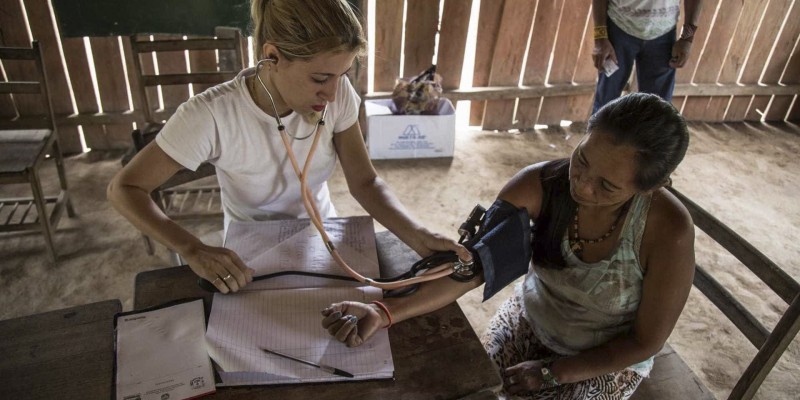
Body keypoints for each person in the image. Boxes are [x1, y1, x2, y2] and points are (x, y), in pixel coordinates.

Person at [321, 93, 696, 400]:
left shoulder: (668, 231)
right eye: (581, 160)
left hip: (606, 358)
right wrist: (384, 311)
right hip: (531, 319)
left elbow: (646, 341)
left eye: (607, 187)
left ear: (650, 187)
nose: (581, 186)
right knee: (471, 390)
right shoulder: (537, 186)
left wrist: (555, 373)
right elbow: (471, 270)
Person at [107, 0, 469, 294]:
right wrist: (192, 248)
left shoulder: (338, 95)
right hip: (249, 245)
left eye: (341, 76)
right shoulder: (211, 114)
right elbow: (124, 188)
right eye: (319, 78)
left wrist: (416, 235)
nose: (332, 93)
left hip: (322, 231)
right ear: (273, 56)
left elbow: (365, 183)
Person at [591, 0, 704, 113]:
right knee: (604, 105)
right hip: (619, 28)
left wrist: (687, 38)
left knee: (658, 110)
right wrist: (600, 38)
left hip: (663, 36)